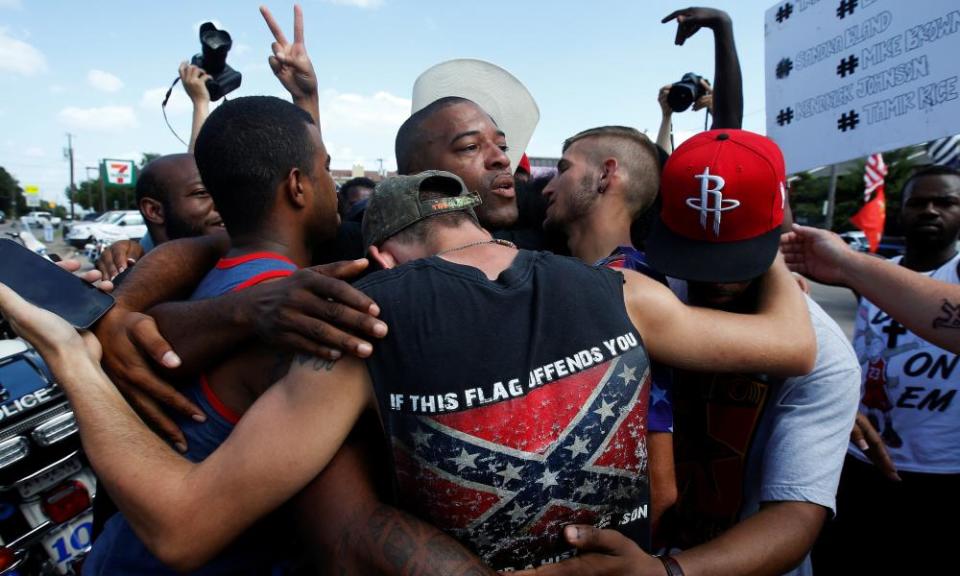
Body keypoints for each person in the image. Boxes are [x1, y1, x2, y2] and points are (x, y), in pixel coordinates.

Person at [0, 164, 816, 572]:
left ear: (382, 252)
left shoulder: (365, 325)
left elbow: (181, 526)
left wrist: (74, 358)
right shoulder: (621, 290)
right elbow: (794, 347)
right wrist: (771, 243)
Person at [514, 129, 860, 576]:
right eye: (695, 257)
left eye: (737, 259)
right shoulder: (650, 288)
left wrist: (669, 572)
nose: (715, 280)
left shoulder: (824, 353)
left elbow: (794, 518)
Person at [85, 94, 338, 575]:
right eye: (326, 170)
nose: (336, 186)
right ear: (297, 186)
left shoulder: (213, 275)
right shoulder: (291, 315)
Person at [786, 165, 960, 574]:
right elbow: (789, 244)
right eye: (917, 203)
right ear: (898, 211)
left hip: (940, 473)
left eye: (946, 202)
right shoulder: (877, 274)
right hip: (859, 462)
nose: (930, 211)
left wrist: (850, 263)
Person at [541, 125, 678, 529]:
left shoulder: (633, 288)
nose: (548, 188)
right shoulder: (598, 278)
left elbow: (660, 486)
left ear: (606, 175)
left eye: (563, 169)